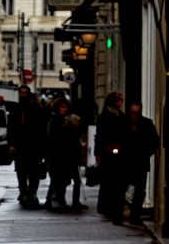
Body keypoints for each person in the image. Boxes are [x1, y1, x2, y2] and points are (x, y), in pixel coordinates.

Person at [7, 85, 44, 208]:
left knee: (34, 172)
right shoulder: (15, 109)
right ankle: (23, 193)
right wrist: (11, 143)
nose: (23, 95)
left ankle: (32, 193)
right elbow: (11, 128)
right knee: (21, 172)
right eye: (21, 93)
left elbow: (40, 129)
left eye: (25, 93)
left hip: (33, 146)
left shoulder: (35, 109)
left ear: (29, 94)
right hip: (20, 146)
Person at [94, 91, 128, 224]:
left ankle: (115, 209)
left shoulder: (122, 116)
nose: (121, 102)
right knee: (109, 182)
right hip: (108, 154)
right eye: (119, 100)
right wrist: (99, 153)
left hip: (120, 154)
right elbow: (100, 136)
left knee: (118, 184)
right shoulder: (105, 117)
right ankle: (108, 207)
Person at [124, 102, 159, 228]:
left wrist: (146, 153)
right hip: (125, 162)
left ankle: (135, 216)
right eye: (133, 112)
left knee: (139, 191)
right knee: (121, 189)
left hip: (140, 162)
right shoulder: (123, 122)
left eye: (137, 112)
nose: (135, 115)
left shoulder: (147, 124)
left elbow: (155, 141)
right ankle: (118, 215)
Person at [45, 97, 71, 212]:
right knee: (56, 180)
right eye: (62, 107)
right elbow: (53, 138)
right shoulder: (55, 120)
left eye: (65, 107)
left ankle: (57, 200)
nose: (64, 109)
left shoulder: (61, 119)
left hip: (61, 155)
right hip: (56, 156)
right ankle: (54, 201)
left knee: (60, 180)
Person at [64, 112, 87, 213]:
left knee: (75, 181)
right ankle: (75, 202)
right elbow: (74, 146)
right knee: (76, 181)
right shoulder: (72, 131)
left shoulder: (70, 130)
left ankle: (75, 201)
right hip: (72, 159)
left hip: (71, 159)